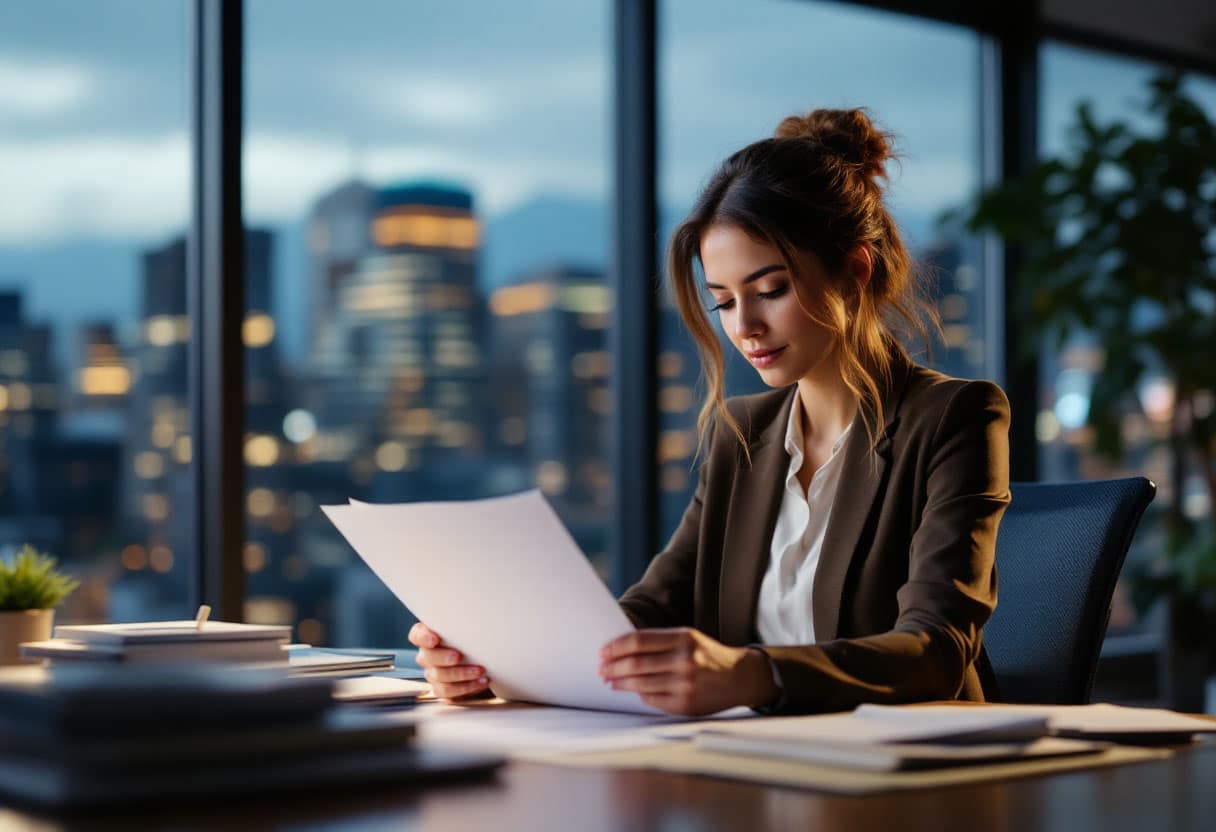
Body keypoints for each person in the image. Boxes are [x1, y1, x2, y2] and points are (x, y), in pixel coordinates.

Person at [409, 107, 1010, 716]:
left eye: (770, 290)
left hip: (909, 777)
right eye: (723, 301)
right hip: (755, 768)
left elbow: (936, 650)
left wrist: (753, 676)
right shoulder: (743, 435)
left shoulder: (954, 418)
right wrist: (498, 663)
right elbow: (650, 610)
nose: (744, 327)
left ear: (855, 271)